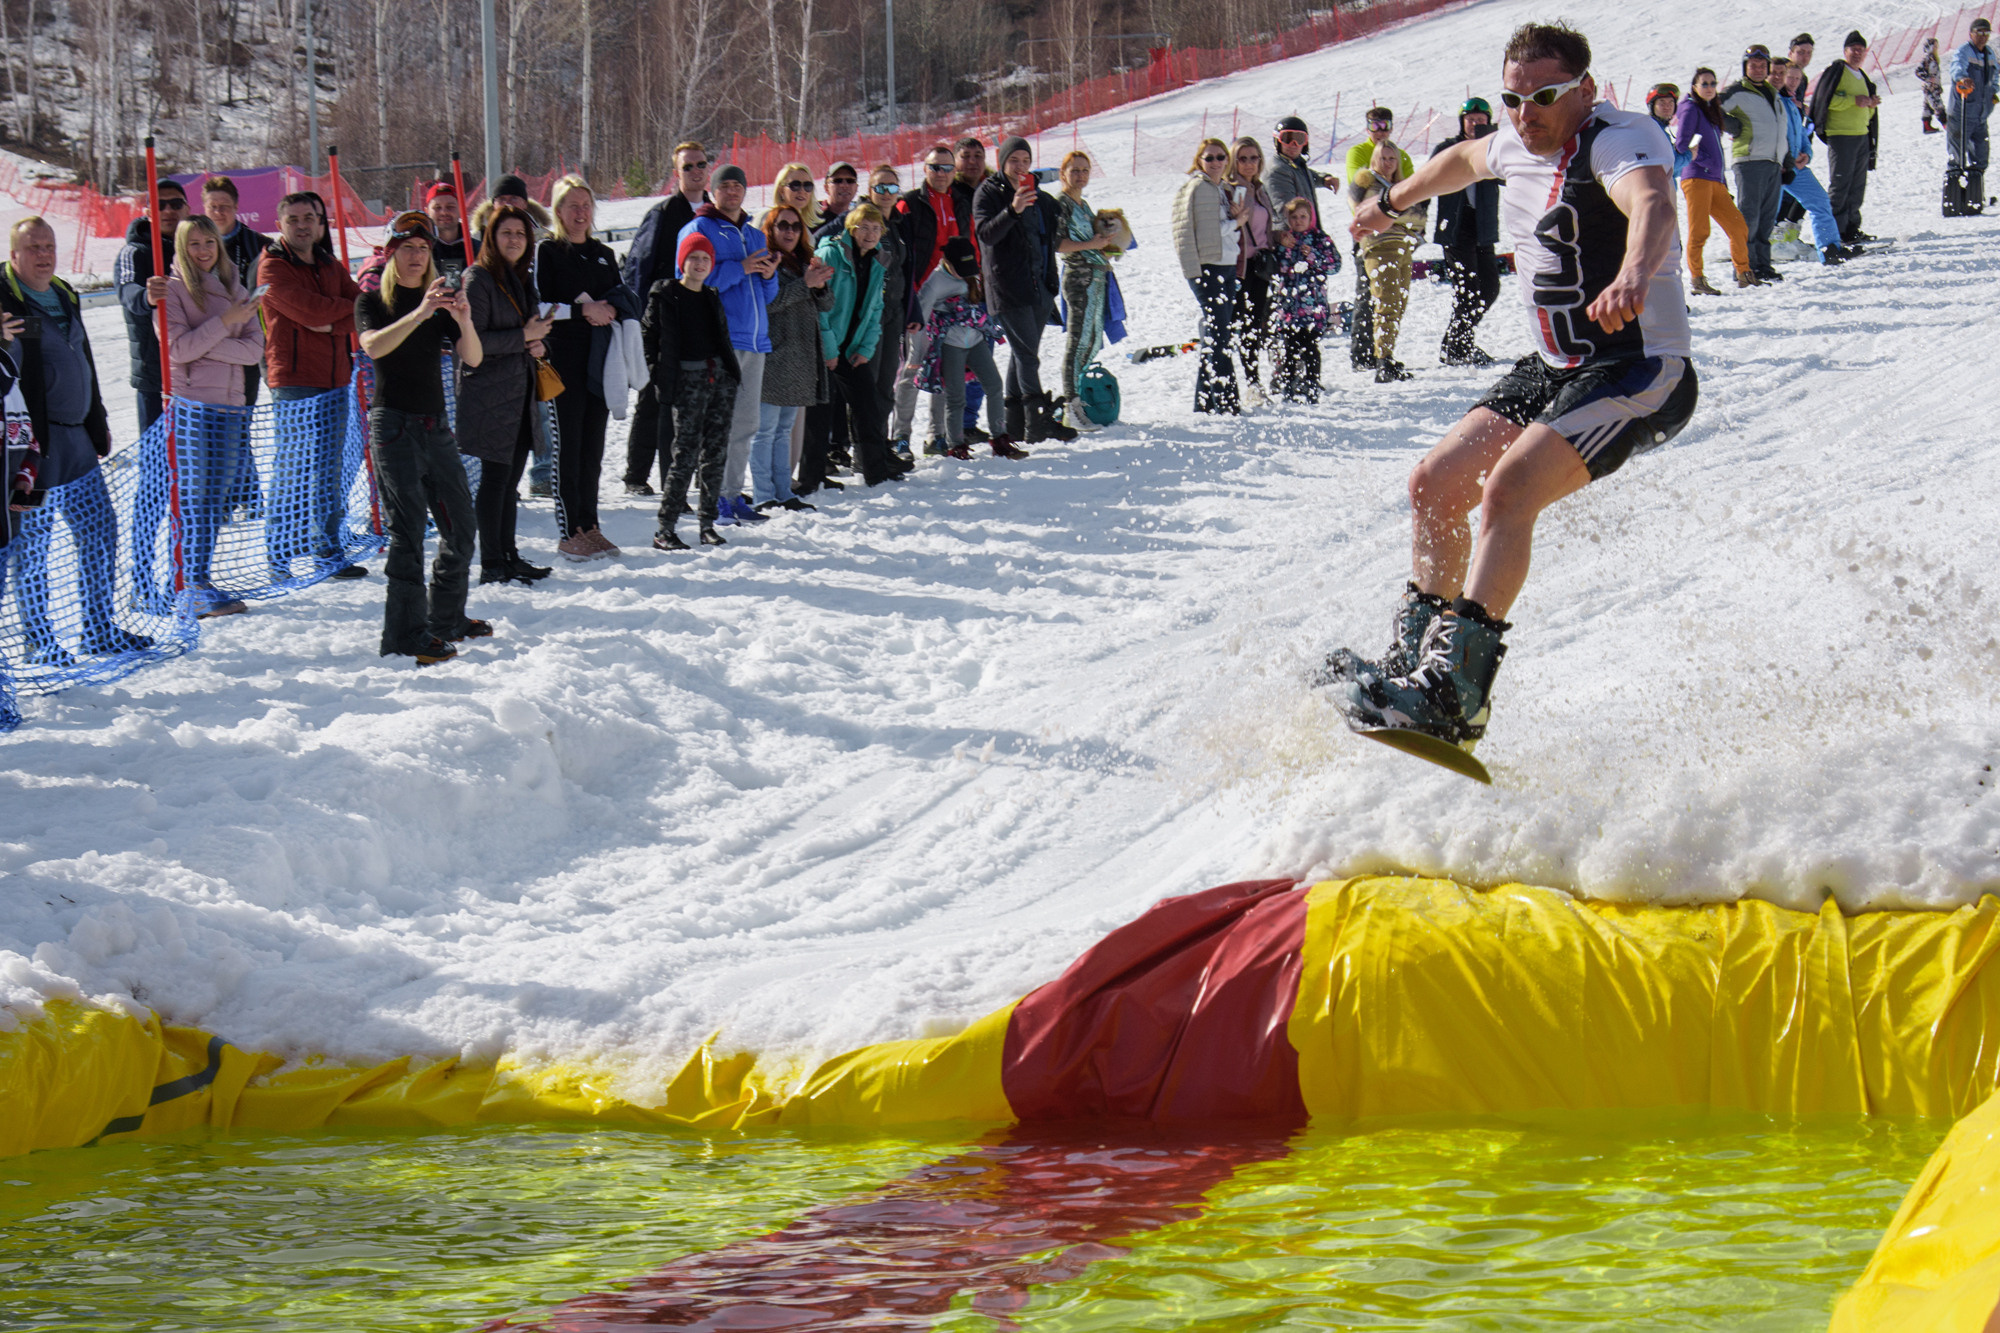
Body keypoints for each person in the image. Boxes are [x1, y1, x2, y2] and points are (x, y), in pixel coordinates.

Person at [1327, 21, 1698, 758]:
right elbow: (1460, 162)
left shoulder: (1615, 140)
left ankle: (1456, 695)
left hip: (1639, 368)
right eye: (1513, 99)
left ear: (1585, 90)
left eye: (1544, 98)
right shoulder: (1513, 141)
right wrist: (1391, 203)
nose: (1526, 114)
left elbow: (1653, 203)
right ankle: (1413, 661)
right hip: (1554, 365)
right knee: (1435, 484)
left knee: (1509, 489)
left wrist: (1634, 273)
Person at [1, 217, 146, 661]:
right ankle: (39, 640)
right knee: (32, 545)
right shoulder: (4, 297)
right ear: (13, 254)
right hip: (32, 446)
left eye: (49, 246)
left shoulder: (64, 292)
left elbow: (84, 357)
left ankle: (98, 629)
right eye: (33, 248)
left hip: (77, 436)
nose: (44, 255)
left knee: (100, 530)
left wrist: (97, 417)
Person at [354, 214, 487, 665]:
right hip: (393, 426)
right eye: (407, 248)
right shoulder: (373, 300)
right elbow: (373, 346)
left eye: (423, 249)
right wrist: (420, 313)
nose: (416, 257)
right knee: (407, 532)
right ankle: (404, 634)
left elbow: (473, 357)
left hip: (435, 425)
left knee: (461, 525)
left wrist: (464, 319)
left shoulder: (440, 301)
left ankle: (445, 618)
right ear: (391, 254)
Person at [258, 190, 367, 578]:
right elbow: (311, 311)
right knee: (294, 468)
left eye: (309, 219)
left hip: (336, 378)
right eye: (294, 220)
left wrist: (333, 323)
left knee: (329, 469)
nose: (302, 226)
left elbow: (362, 306)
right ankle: (279, 555)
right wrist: (337, 319)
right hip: (295, 380)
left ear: (321, 224)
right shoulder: (273, 267)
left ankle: (327, 549)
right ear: (280, 225)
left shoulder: (328, 263)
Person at [164, 214, 264, 617]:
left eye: (209, 242)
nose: (203, 251)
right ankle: (185, 582)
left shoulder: (236, 287)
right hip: (193, 407)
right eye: (194, 243)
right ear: (182, 248)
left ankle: (199, 579)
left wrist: (206, 344)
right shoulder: (173, 289)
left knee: (215, 500)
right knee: (194, 497)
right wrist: (225, 323)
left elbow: (254, 351)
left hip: (230, 406)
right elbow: (176, 349)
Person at [539, 174, 638, 560]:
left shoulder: (603, 254)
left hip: (600, 360)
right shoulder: (548, 252)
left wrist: (612, 308)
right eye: (572, 206)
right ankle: (569, 532)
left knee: (592, 448)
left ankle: (589, 524)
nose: (580, 213)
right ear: (559, 211)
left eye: (586, 206)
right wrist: (583, 310)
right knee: (568, 447)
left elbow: (618, 294)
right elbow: (539, 306)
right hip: (563, 360)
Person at [458, 203, 556, 585]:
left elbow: (529, 330)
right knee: (496, 479)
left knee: (510, 480)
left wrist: (539, 343)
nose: (514, 240)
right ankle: (492, 562)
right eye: (506, 233)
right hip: (489, 393)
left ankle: (509, 555)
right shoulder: (478, 278)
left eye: (520, 234)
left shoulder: (521, 277)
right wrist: (524, 337)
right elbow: (474, 341)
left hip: (518, 391)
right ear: (491, 238)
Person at [678, 164, 779, 527]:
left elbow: (768, 293)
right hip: (719, 339)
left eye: (738, 185)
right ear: (713, 189)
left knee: (747, 423)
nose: (732, 192)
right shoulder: (699, 229)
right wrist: (741, 267)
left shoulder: (754, 234)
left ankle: (732, 494)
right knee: (718, 423)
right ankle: (713, 496)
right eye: (726, 186)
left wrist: (769, 274)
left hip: (755, 339)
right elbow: (689, 280)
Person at [618, 141, 710, 496]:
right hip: (663, 320)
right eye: (688, 166)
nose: (695, 171)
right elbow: (638, 270)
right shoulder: (663, 213)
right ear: (677, 173)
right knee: (654, 398)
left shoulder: (714, 212)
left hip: (701, 319)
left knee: (697, 400)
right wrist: (642, 320)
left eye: (701, 164)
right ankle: (636, 475)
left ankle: (691, 472)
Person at [974, 137, 1074, 445]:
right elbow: (986, 235)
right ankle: (1037, 421)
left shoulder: (1039, 196)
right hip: (1007, 287)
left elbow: (1052, 235)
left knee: (1022, 354)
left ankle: (1015, 424)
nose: (1020, 167)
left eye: (1025, 161)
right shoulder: (989, 192)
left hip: (1039, 286)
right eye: (1014, 161)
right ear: (1002, 162)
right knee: (1028, 357)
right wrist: (1013, 209)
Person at [643, 231, 740, 549]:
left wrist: (730, 375)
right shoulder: (665, 295)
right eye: (693, 257)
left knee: (716, 453)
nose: (700, 263)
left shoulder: (711, 295)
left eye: (705, 258)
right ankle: (665, 529)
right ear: (681, 261)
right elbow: (648, 338)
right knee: (685, 455)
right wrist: (658, 375)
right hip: (686, 383)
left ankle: (707, 523)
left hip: (719, 380)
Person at [806, 204, 900, 489]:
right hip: (826, 345)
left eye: (876, 229)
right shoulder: (831, 254)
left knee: (867, 407)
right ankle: (812, 476)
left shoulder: (878, 260)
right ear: (851, 229)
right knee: (821, 412)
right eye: (864, 228)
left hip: (853, 348)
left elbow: (875, 308)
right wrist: (829, 349)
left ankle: (875, 471)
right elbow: (818, 305)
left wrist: (867, 348)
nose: (870, 234)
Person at [746, 203, 832, 512]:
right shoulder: (764, 262)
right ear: (770, 230)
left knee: (783, 432)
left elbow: (826, 305)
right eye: (782, 225)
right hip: (773, 357)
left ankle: (783, 491)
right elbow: (767, 303)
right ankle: (763, 494)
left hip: (800, 359)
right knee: (765, 432)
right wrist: (805, 284)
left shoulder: (803, 262)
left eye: (796, 226)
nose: (790, 232)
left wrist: (819, 286)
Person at [914, 236, 1016, 461]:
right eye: (959, 269)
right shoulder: (936, 282)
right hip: (951, 345)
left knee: (994, 385)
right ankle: (956, 445)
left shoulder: (972, 275)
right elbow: (919, 317)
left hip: (975, 340)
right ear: (947, 262)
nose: (964, 274)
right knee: (956, 397)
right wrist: (918, 355)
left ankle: (1000, 438)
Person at [893, 144, 961, 453]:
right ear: (925, 170)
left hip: (951, 296)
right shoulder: (910, 202)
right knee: (913, 366)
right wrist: (907, 292)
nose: (941, 173)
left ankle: (937, 434)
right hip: (919, 295)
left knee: (944, 366)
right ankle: (901, 435)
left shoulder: (959, 200)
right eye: (935, 167)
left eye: (947, 168)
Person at [1172, 136, 1245, 415]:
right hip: (1208, 267)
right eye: (1209, 157)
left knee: (1216, 334)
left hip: (1224, 264)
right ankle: (1226, 401)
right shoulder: (1199, 188)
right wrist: (1236, 222)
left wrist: (1233, 218)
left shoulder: (1220, 189)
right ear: (1199, 161)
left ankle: (1205, 402)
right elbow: (1205, 232)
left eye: (1220, 157)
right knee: (1220, 335)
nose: (1215, 162)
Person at [1346, 141, 1426, 383]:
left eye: (1392, 158)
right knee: (1386, 302)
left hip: (1404, 247)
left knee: (1399, 302)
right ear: (1374, 159)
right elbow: (1360, 211)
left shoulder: (1401, 186)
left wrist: (1389, 216)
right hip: (1379, 246)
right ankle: (1382, 360)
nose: (1388, 163)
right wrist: (1396, 217)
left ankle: (1387, 353)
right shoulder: (1365, 182)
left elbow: (1420, 217)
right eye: (1383, 158)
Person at [114, 176, 189, 431]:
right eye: (160, 205)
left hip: (197, 374)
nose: (168, 211)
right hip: (156, 375)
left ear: (187, 209)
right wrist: (146, 297)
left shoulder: (197, 249)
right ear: (148, 212)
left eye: (176, 204)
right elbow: (126, 290)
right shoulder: (135, 251)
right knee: (158, 450)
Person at [1432, 97, 1502, 366]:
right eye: (1470, 120)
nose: (1474, 124)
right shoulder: (1447, 148)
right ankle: (1458, 348)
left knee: (1490, 288)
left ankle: (1456, 342)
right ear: (1462, 122)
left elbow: (1509, 176)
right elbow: (1427, 180)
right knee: (1467, 291)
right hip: (1455, 227)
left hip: (1483, 226)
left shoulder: (1493, 149)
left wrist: (1495, 147)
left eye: (1480, 120)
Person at [1343, 109, 1413, 371]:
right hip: (1370, 237)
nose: (1381, 130)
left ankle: (1382, 352)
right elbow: (1360, 194)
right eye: (1375, 125)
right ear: (1368, 128)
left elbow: (1412, 193)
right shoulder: (1358, 153)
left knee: (1395, 298)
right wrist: (1374, 221)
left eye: (1385, 125)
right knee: (1370, 295)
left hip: (1399, 239)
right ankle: (1364, 354)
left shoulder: (1401, 155)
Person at [1052, 149, 1115, 434]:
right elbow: (1059, 243)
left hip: (1096, 275)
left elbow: (1092, 241)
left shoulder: (1084, 204)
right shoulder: (1062, 204)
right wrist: (1092, 245)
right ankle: (1071, 405)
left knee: (1091, 341)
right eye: (1074, 170)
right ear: (1063, 173)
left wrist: (1107, 248)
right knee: (1077, 342)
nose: (1080, 175)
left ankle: (1080, 399)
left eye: (1084, 170)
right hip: (1079, 278)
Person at [1674, 71, 1754, 292]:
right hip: (1696, 178)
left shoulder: (1710, 109)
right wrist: (1706, 160)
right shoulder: (1691, 109)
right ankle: (1697, 279)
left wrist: (1721, 179)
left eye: (1712, 84)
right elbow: (1682, 144)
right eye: (1704, 84)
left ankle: (1744, 273)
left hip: (1715, 180)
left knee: (1738, 226)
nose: (1709, 88)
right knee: (1699, 231)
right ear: (1694, 87)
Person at [201, 175, 270, 405]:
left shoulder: (257, 244)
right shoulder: (194, 245)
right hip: (207, 340)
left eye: (225, 206)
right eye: (213, 207)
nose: (218, 212)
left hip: (246, 341)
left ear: (236, 207)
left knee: (241, 412)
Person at [1721, 44, 1788, 283]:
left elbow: (1779, 128)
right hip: (1750, 160)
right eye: (1753, 65)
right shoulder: (1737, 91)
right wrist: (1733, 126)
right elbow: (1711, 108)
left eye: (1762, 65)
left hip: (1773, 162)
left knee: (1767, 218)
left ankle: (1762, 265)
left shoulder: (1772, 92)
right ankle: (1744, 267)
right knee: (1749, 217)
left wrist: (1787, 159)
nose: (1758, 69)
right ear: (1745, 67)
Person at [1810, 31, 1882, 246]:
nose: (1857, 53)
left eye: (1861, 50)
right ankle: (1834, 234)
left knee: (1857, 186)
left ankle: (1851, 229)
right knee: (1841, 185)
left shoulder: (1862, 76)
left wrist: (1870, 105)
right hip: (1841, 135)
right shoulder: (1837, 71)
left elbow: (1865, 110)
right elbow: (1826, 99)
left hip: (1861, 135)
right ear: (1845, 51)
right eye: (1853, 49)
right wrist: (1854, 100)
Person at [865, 164, 915, 464]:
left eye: (892, 187)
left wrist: (912, 308)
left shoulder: (897, 223)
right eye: (880, 187)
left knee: (886, 383)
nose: (886, 193)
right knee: (869, 385)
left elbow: (905, 270)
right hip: (869, 315)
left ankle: (881, 445)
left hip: (894, 313)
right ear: (870, 191)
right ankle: (866, 451)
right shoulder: (862, 220)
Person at [1772, 59, 1845, 264]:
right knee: (1767, 211)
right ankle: (1752, 256)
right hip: (1777, 166)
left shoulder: (1792, 103)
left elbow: (1802, 134)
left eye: (1798, 78)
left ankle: (1830, 249)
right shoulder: (1774, 101)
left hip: (1796, 167)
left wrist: (1807, 154)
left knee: (1820, 201)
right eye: (1790, 77)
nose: (1793, 82)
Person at [1225, 136, 1280, 407]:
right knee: (1239, 325)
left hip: (1259, 266)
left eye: (1254, 158)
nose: (1249, 164)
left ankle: (1253, 382)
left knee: (1254, 325)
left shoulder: (1259, 189)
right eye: (1242, 158)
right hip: (1239, 267)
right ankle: (1242, 384)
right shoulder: (1232, 190)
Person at [1269, 197, 1341, 403]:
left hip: (1312, 305)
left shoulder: (1319, 238)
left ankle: (1312, 383)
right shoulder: (1285, 239)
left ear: (1311, 217)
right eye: (1294, 217)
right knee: (1290, 347)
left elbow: (1335, 265)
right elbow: (1276, 266)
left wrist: (1314, 256)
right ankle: (1289, 384)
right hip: (1289, 305)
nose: (1298, 221)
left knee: (1311, 347)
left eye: (1303, 217)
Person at [1948, 19, 1998, 207]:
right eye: (1979, 32)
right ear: (1971, 34)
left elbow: (1995, 75)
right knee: (1957, 157)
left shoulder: (1990, 53)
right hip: (1962, 112)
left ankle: (1975, 194)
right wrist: (1962, 78)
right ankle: (1955, 197)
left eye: (1986, 33)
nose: (1983, 37)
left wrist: (1993, 91)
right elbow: (1956, 67)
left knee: (1981, 156)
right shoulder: (1964, 51)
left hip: (1981, 115)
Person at [1267, 116, 1339, 231]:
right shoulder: (1277, 171)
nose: (1293, 144)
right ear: (1277, 141)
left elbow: (1302, 174)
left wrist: (1322, 179)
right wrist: (1302, 238)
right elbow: (1286, 212)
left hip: (1305, 232)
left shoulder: (1295, 165)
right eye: (1287, 139)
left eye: (1299, 139)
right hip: (1293, 235)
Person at [425, 182, 471, 274]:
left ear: (461, 209)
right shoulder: (423, 250)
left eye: (450, 207)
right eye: (437, 207)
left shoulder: (477, 249)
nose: (444, 212)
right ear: (427, 211)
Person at [773, 162, 824, 240]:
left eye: (807, 185)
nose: (802, 191)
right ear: (781, 190)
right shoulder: (766, 219)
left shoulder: (805, 230)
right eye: (795, 185)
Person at [814, 162, 859, 239]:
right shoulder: (813, 214)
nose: (844, 185)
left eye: (850, 181)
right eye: (837, 181)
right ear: (826, 188)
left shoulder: (859, 217)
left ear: (856, 187)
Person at [1919, 38, 1947, 134]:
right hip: (1930, 88)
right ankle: (1946, 124)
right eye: (1934, 46)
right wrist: (1928, 79)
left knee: (1927, 106)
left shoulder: (1933, 58)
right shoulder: (1927, 58)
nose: (1936, 48)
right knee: (1938, 105)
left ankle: (1927, 126)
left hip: (1933, 87)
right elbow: (1918, 71)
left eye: (1936, 46)